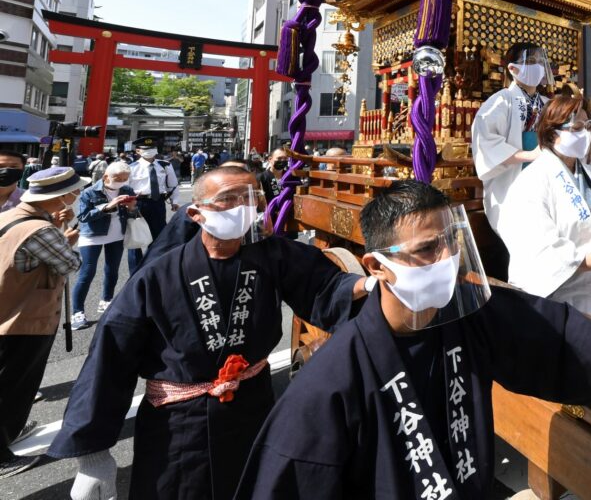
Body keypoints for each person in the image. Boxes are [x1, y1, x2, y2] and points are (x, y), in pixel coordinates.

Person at [234, 181, 591, 499]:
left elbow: (543, 326)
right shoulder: (329, 384)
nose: (447, 258)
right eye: (428, 249)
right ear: (375, 266)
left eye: (451, 241)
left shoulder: (465, 314)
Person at [49, 166, 372, 499]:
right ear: (195, 213)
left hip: (252, 407)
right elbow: (110, 357)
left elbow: (325, 286)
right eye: (228, 199)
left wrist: (371, 282)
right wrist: (93, 454)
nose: (242, 207)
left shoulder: (273, 255)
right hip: (179, 423)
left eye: (250, 197)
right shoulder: (158, 276)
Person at [498, 93, 591, 324]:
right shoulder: (531, 181)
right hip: (560, 299)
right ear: (553, 134)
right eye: (576, 128)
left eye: (587, 126)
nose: (585, 133)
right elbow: (536, 248)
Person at [0, 166, 87, 478]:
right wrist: (68, 240)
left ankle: (9, 432)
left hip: (7, 311)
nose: (77, 195)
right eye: (74, 192)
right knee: (14, 386)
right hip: (25, 319)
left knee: (9, 382)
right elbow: (70, 262)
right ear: (62, 196)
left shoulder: (11, 215)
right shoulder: (42, 231)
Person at [470, 43, 552, 230]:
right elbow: (486, 141)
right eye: (531, 61)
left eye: (541, 62)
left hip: (544, 179)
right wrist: (530, 155)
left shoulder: (547, 104)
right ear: (513, 68)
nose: (538, 66)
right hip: (511, 182)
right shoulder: (500, 101)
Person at [70, 161, 141, 330]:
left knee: (112, 270)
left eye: (125, 178)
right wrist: (108, 206)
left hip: (117, 234)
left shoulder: (127, 190)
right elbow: (83, 216)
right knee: (87, 273)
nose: (122, 182)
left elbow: (133, 215)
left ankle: (106, 301)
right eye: (118, 178)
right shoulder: (89, 191)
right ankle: (77, 312)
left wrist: (132, 208)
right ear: (105, 177)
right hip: (92, 235)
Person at [127, 137, 179, 240]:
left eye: (152, 148)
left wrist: (175, 201)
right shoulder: (131, 167)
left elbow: (173, 185)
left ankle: (154, 256)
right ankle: (137, 257)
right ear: (138, 151)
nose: (149, 151)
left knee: (159, 235)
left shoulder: (165, 165)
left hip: (158, 202)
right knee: (136, 236)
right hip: (138, 202)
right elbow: (125, 188)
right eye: (146, 149)